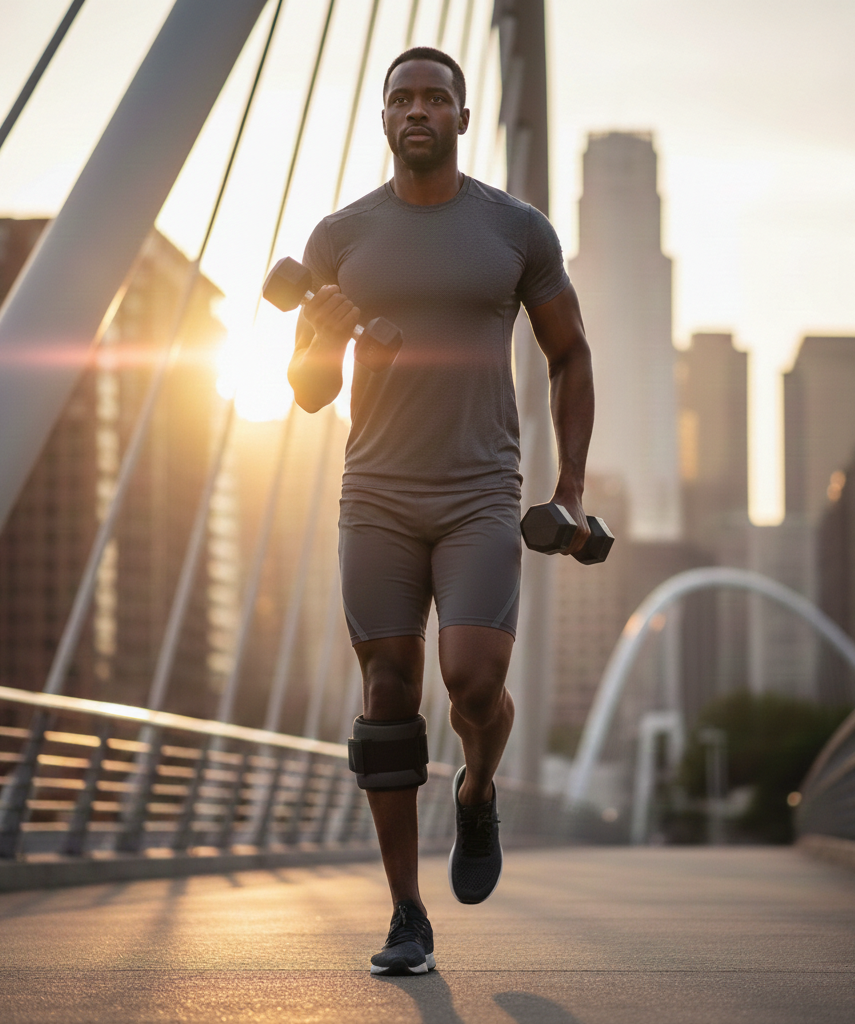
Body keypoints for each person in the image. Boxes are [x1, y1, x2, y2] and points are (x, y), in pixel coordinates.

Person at [287, 46, 594, 976]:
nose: (416, 110)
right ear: (383, 118)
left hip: (477, 494)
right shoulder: (337, 241)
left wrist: (570, 490)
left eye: (435, 98)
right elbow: (304, 392)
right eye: (400, 98)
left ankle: (476, 790)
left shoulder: (515, 230)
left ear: (461, 117)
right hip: (375, 493)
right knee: (387, 691)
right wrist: (325, 340)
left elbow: (568, 354)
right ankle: (406, 915)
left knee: (469, 683)